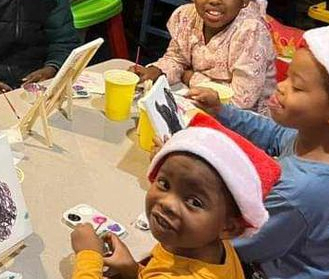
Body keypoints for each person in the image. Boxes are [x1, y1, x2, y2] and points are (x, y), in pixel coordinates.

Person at [188, 24, 329, 278]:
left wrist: (183, 176)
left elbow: (234, 243)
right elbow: (274, 134)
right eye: (287, 76)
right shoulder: (318, 142)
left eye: (297, 86)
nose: (281, 86)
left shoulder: (298, 192)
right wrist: (221, 111)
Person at [71, 112, 281, 278]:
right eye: (164, 184)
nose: (168, 203)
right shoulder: (211, 243)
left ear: (229, 227)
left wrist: (88, 256)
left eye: (194, 202)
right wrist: (134, 270)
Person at [133, 0, 276, 114]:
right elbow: (177, 59)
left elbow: (242, 99)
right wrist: (157, 71)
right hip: (200, 102)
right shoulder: (187, 18)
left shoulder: (250, 33)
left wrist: (191, 78)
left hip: (243, 119)